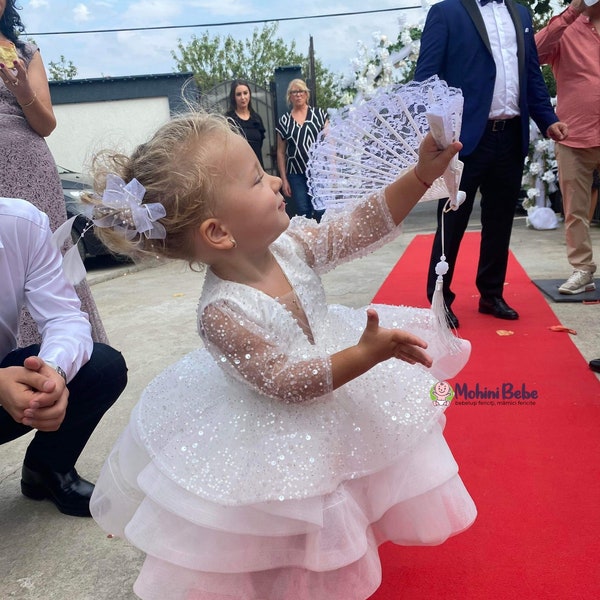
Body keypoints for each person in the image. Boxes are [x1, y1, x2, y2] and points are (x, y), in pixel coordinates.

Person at [87, 112, 475, 600]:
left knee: (340, 489)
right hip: (276, 424)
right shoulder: (222, 314)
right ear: (219, 232)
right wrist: (364, 355)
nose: (274, 179)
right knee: (297, 509)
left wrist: (420, 177)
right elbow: (288, 383)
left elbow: (355, 227)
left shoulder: (289, 245)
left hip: (334, 383)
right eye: (255, 178)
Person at [414, 0, 568, 327]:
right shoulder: (447, 12)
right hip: (463, 139)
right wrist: (438, 135)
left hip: (510, 134)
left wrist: (547, 119)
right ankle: (440, 299)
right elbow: (425, 80)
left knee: (500, 222)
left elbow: (530, 74)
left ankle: (491, 293)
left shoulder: (520, 11)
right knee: (452, 223)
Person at [0, 197, 127, 517]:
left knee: (102, 367)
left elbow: (64, 317)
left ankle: (46, 468)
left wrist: (53, 373)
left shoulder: (20, 223)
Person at [0, 0, 108, 344]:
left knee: (46, 253)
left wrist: (23, 92)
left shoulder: (24, 51)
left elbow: (46, 124)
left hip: (31, 166)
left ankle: (64, 346)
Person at [536, 0, 600, 295]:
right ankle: (582, 270)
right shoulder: (566, 27)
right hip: (575, 135)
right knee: (575, 210)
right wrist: (572, 11)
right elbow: (532, 53)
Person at [276, 78, 328, 220]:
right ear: (290, 96)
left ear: (306, 94)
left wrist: (333, 169)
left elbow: (329, 143)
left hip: (318, 172)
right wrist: (284, 179)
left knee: (321, 209)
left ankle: (322, 239)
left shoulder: (319, 115)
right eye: (294, 92)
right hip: (295, 173)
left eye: (301, 91)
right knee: (303, 210)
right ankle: (309, 240)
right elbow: (280, 152)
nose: (298, 94)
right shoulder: (284, 121)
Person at [225, 79, 266, 166]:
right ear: (234, 97)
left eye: (245, 93)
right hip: (238, 170)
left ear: (249, 94)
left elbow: (260, 144)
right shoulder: (228, 120)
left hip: (257, 169)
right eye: (239, 94)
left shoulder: (257, 119)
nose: (243, 97)